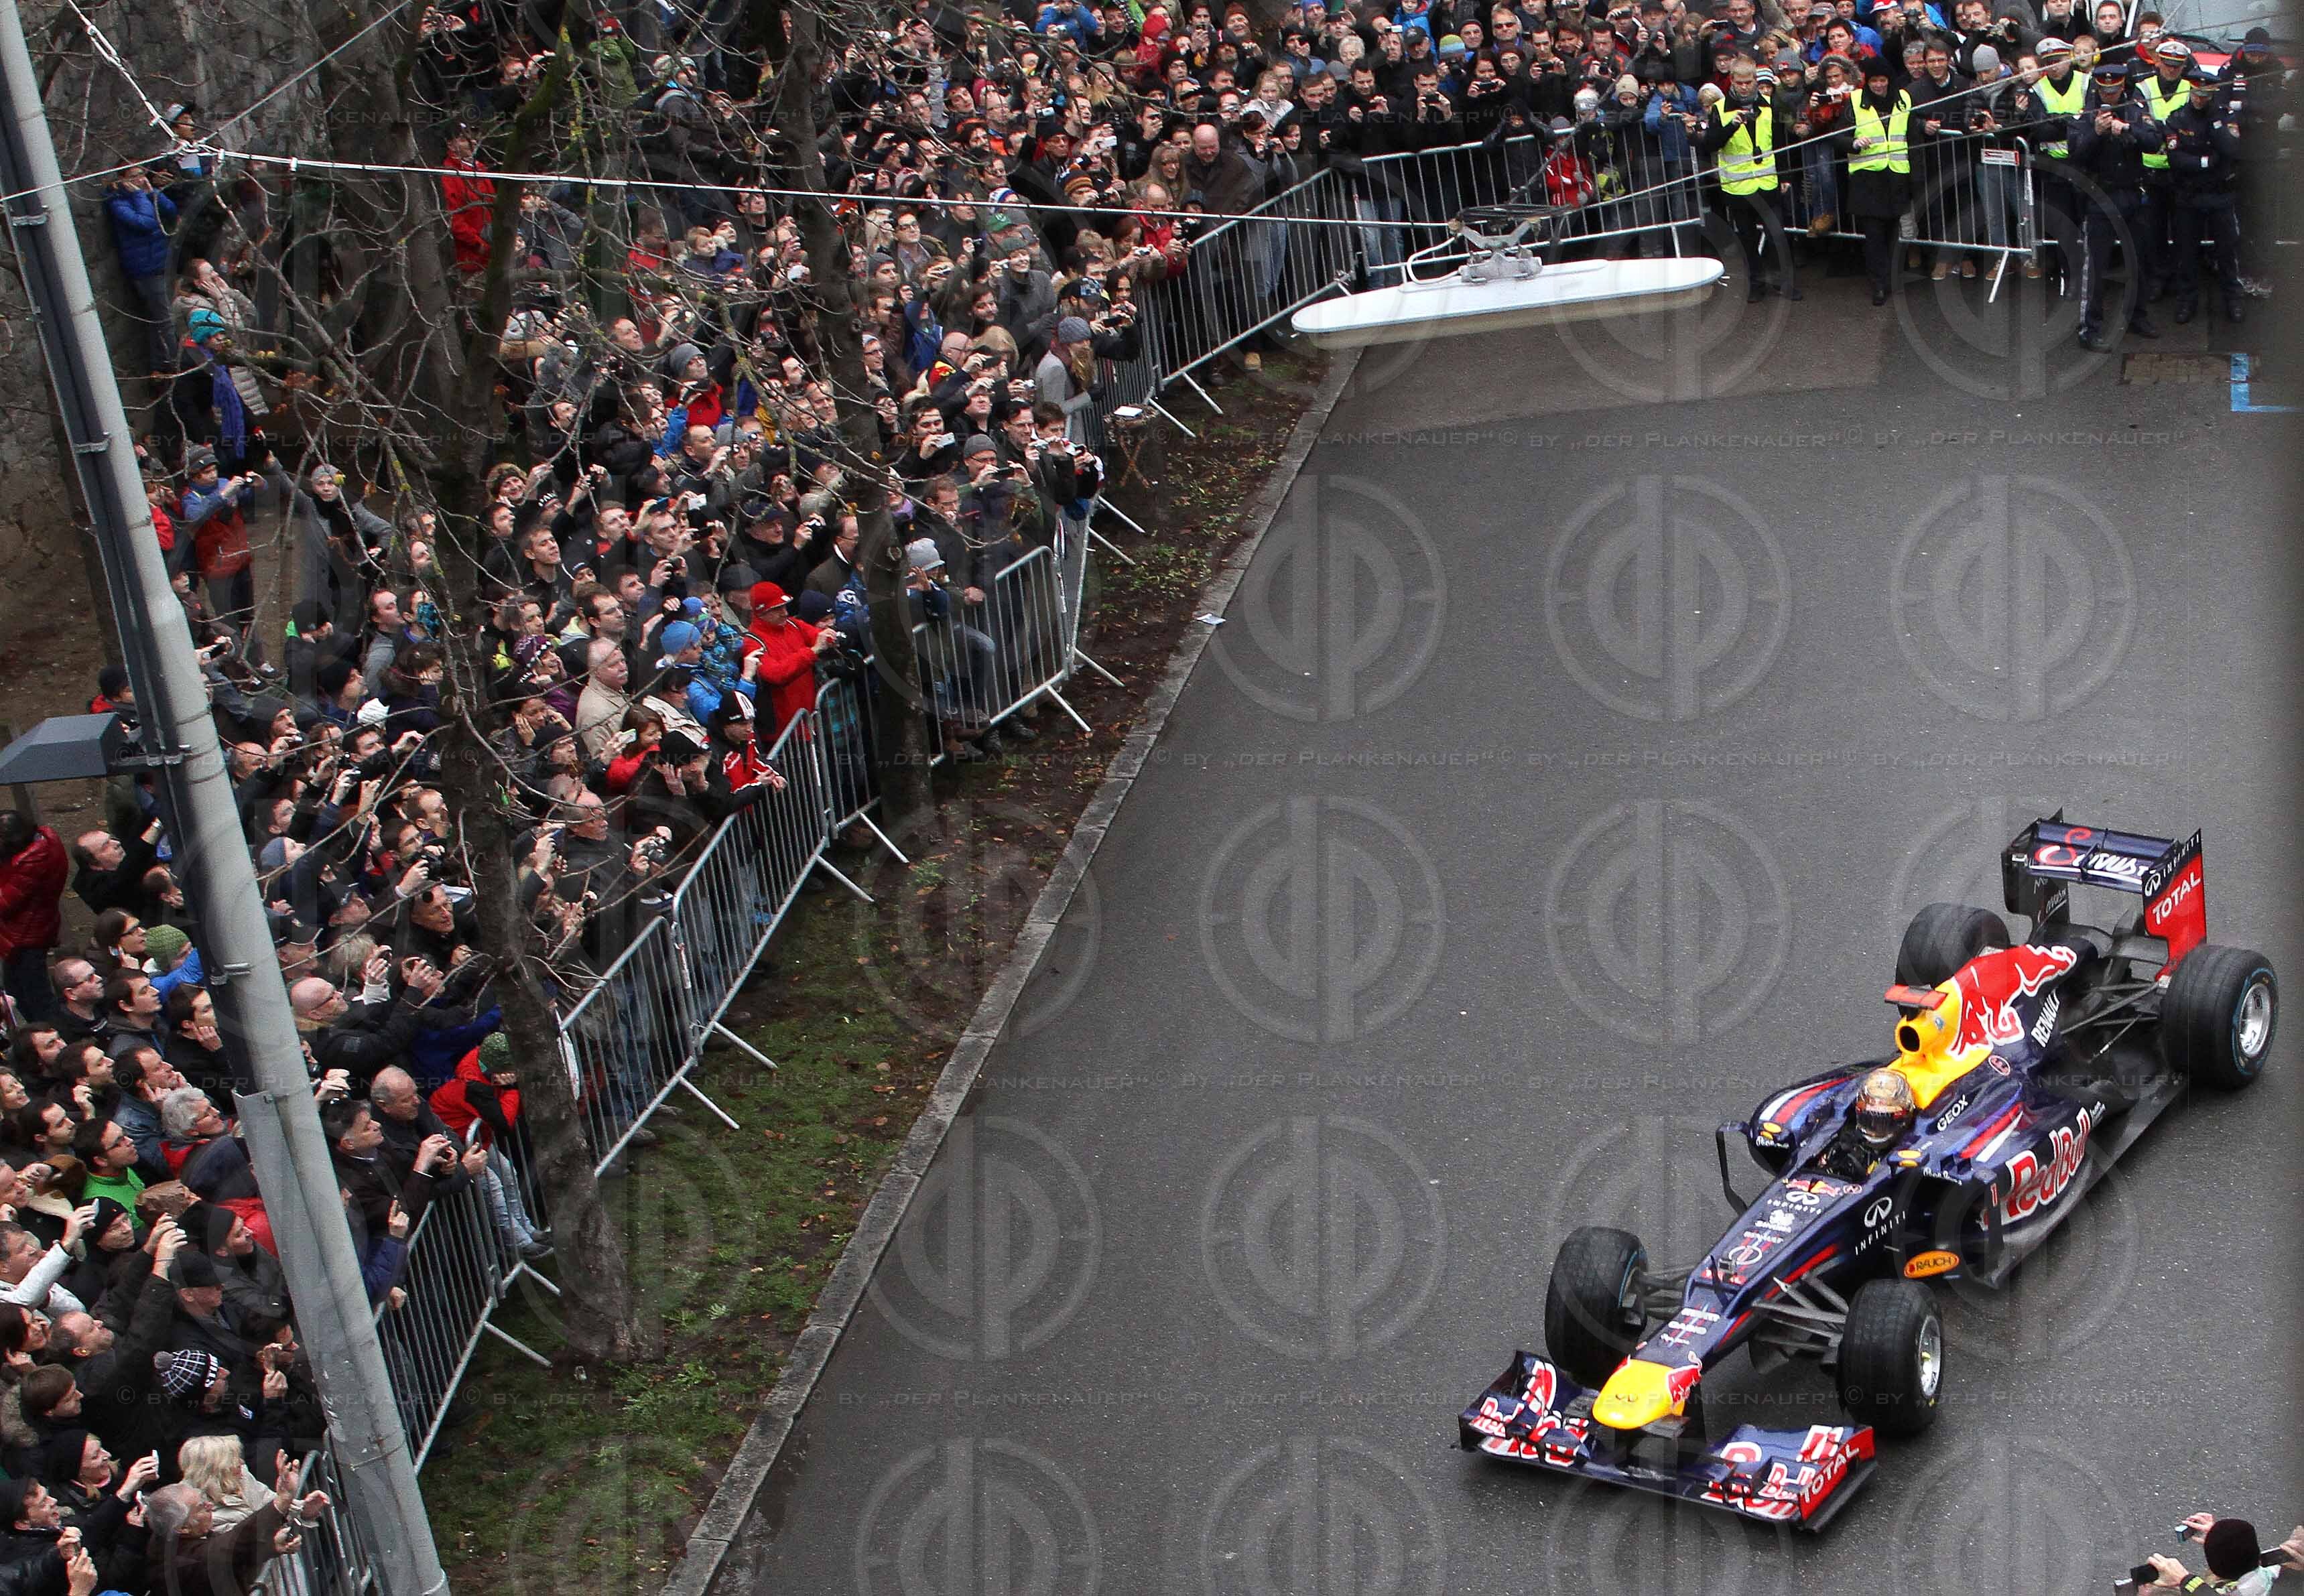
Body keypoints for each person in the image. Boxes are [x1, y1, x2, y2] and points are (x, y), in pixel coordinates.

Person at [2071, 58, 2163, 350]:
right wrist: (2096, 133)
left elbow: (2154, 141)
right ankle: (2089, 327)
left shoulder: (2135, 110)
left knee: (2139, 259)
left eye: (2114, 88)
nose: (2108, 93)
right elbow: (2077, 153)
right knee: (2095, 265)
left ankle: (2138, 315)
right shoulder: (2085, 114)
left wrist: (2127, 130)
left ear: (2123, 85)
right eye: (2104, 88)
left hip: (2132, 193)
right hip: (2100, 195)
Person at [1695, 56, 1799, 302]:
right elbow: (1710, 144)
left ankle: (1784, 282)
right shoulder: (1721, 110)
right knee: (1748, 240)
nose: (1745, 86)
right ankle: (1756, 284)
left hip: (1767, 182)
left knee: (1778, 235)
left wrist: (1785, 175)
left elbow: (1781, 143)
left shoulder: (1770, 104)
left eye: (1749, 81)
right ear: (1732, 81)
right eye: (1740, 82)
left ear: (1756, 79)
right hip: (1738, 187)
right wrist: (1731, 125)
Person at [2162, 66, 2246, 326]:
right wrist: (2207, 162)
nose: (2200, 99)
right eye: (2196, 94)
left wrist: (2215, 120)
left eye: (2205, 95)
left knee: (2227, 251)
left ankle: (2233, 299)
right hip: (2189, 196)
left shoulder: (2224, 116)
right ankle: (2188, 301)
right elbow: (2176, 159)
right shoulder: (2177, 118)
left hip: (2220, 195)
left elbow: (2231, 149)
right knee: (2187, 253)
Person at [1842, 60, 1911, 304]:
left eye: (1883, 80)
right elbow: (1837, 136)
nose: (1879, 85)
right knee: (1874, 237)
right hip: (1867, 180)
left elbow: (1911, 128)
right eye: (1874, 81)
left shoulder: (1904, 98)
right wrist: (1854, 143)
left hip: (1896, 176)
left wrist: (1926, 125)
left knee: (1894, 234)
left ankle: (1891, 279)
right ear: (1867, 82)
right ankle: (1878, 285)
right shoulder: (1854, 101)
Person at [0, 817, 67, 1024]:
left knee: (36, 997)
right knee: (17, 991)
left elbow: (5, 902)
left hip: (27, 935)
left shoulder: (31, 863)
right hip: (26, 930)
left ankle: (50, 1036)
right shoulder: (43, 844)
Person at [1807, 1069, 1915, 1179]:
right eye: (1868, 1119)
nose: (1874, 1132)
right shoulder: (1848, 1138)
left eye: (1883, 1121)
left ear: (1903, 1118)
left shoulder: (1914, 1143)